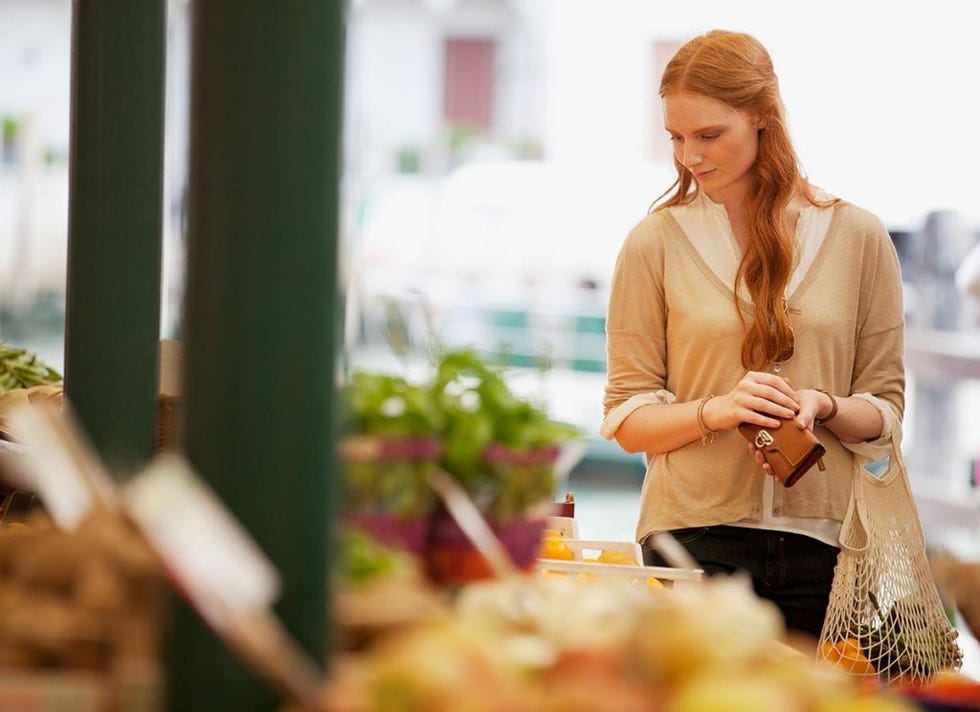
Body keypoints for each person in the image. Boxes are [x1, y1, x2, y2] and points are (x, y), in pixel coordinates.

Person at [600, 29, 905, 639]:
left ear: (764, 117)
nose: (690, 155)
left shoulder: (859, 237)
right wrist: (717, 410)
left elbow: (887, 412)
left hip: (827, 546)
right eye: (676, 138)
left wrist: (824, 407)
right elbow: (626, 417)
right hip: (690, 535)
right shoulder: (654, 243)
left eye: (709, 135)